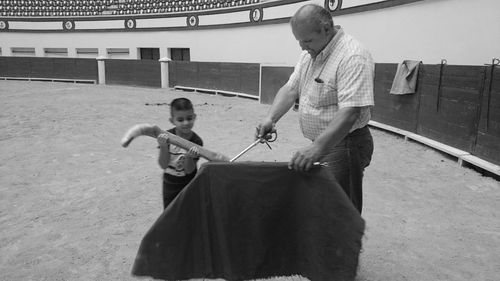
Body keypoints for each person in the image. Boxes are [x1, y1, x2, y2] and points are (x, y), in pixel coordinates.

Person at [256, 4, 374, 214]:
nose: (302, 47)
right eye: (299, 41)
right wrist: (270, 118)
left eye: (307, 40)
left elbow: (350, 113)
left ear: (326, 29)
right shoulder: (310, 53)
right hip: (326, 142)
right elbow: (291, 89)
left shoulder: (352, 56)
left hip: (345, 145)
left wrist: (317, 148)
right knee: (323, 202)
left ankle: (343, 247)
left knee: (340, 209)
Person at [157, 98, 203, 209]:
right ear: (172, 120)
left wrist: (189, 157)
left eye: (189, 118)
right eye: (180, 120)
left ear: (194, 117)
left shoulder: (196, 141)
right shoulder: (166, 136)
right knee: (170, 214)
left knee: (188, 214)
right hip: (169, 184)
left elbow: (188, 170)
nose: (186, 123)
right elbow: (163, 165)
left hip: (189, 185)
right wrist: (163, 146)